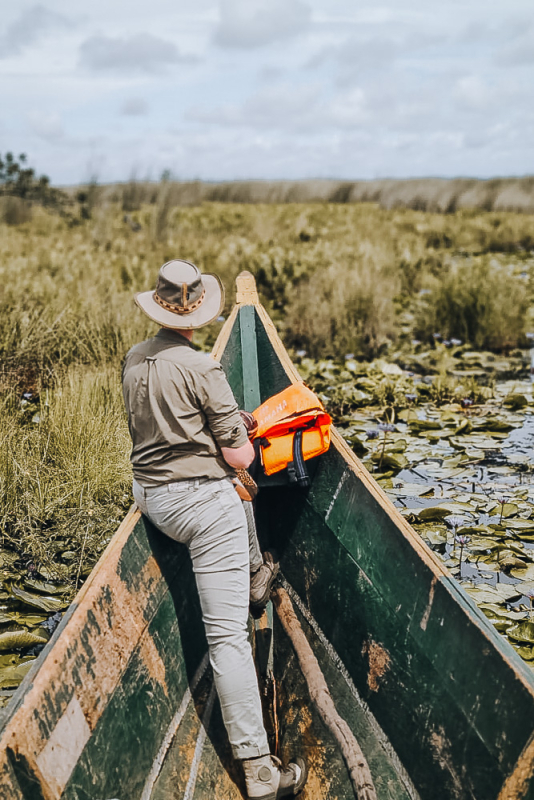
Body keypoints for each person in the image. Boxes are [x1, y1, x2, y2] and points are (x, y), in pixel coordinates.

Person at [121, 259, 307, 800]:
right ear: (197, 311)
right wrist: (235, 428)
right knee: (227, 638)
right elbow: (240, 452)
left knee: (231, 483)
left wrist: (215, 428)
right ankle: (259, 771)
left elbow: (155, 427)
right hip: (202, 512)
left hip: (154, 499)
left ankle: (253, 574)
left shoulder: (134, 358)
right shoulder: (204, 368)